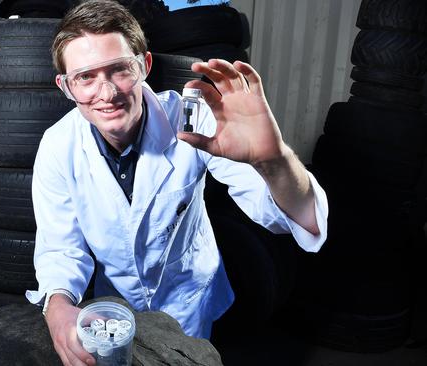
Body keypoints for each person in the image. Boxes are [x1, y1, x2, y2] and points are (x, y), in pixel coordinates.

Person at [25, 1, 328, 365]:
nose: (106, 93)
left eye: (120, 70)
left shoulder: (193, 116)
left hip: (187, 300)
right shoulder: (58, 146)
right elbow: (61, 248)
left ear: (145, 66)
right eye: (85, 77)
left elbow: (297, 220)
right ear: (66, 86)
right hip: (116, 307)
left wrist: (274, 160)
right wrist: (57, 307)